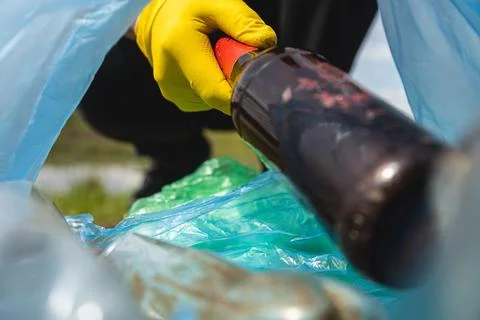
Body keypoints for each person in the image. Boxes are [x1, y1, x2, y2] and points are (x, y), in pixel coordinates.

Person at [79, 0, 377, 200]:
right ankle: (176, 158)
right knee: (104, 83)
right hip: (176, 63)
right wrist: (147, 14)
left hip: (281, 65)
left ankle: (288, 176)